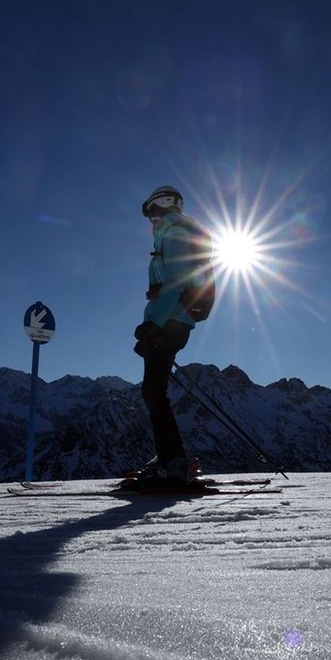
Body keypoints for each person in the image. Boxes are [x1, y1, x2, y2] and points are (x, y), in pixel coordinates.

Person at [132, 185, 212, 485]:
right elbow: (174, 279)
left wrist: (153, 323)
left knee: (153, 391)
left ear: (162, 207)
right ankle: (169, 456)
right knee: (154, 391)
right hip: (172, 320)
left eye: (151, 211)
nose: (149, 219)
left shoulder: (175, 232)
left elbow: (178, 281)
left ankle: (173, 461)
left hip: (170, 322)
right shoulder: (177, 233)